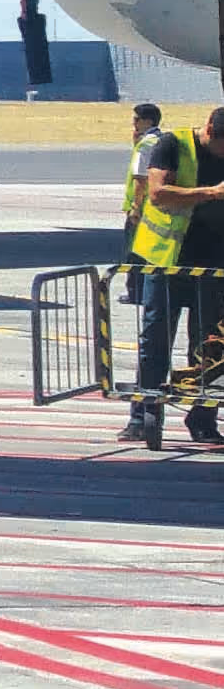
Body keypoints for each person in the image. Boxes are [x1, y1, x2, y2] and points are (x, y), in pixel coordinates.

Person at [128, 104, 220, 448]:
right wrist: (211, 192)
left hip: (214, 267)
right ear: (208, 130)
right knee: (155, 341)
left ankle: (203, 417)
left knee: (209, 347)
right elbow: (158, 194)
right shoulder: (172, 145)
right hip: (169, 263)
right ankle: (144, 415)